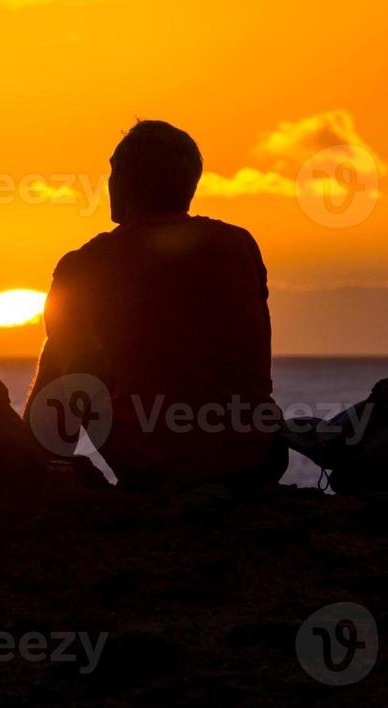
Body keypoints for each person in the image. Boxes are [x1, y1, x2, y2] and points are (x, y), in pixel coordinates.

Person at [24, 120, 287, 492]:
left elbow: (81, 371)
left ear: (128, 183)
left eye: (114, 174)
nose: (108, 184)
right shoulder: (239, 246)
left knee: (61, 348)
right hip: (259, 457)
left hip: (156, 466)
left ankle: (41, 468)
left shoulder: (83, 266)